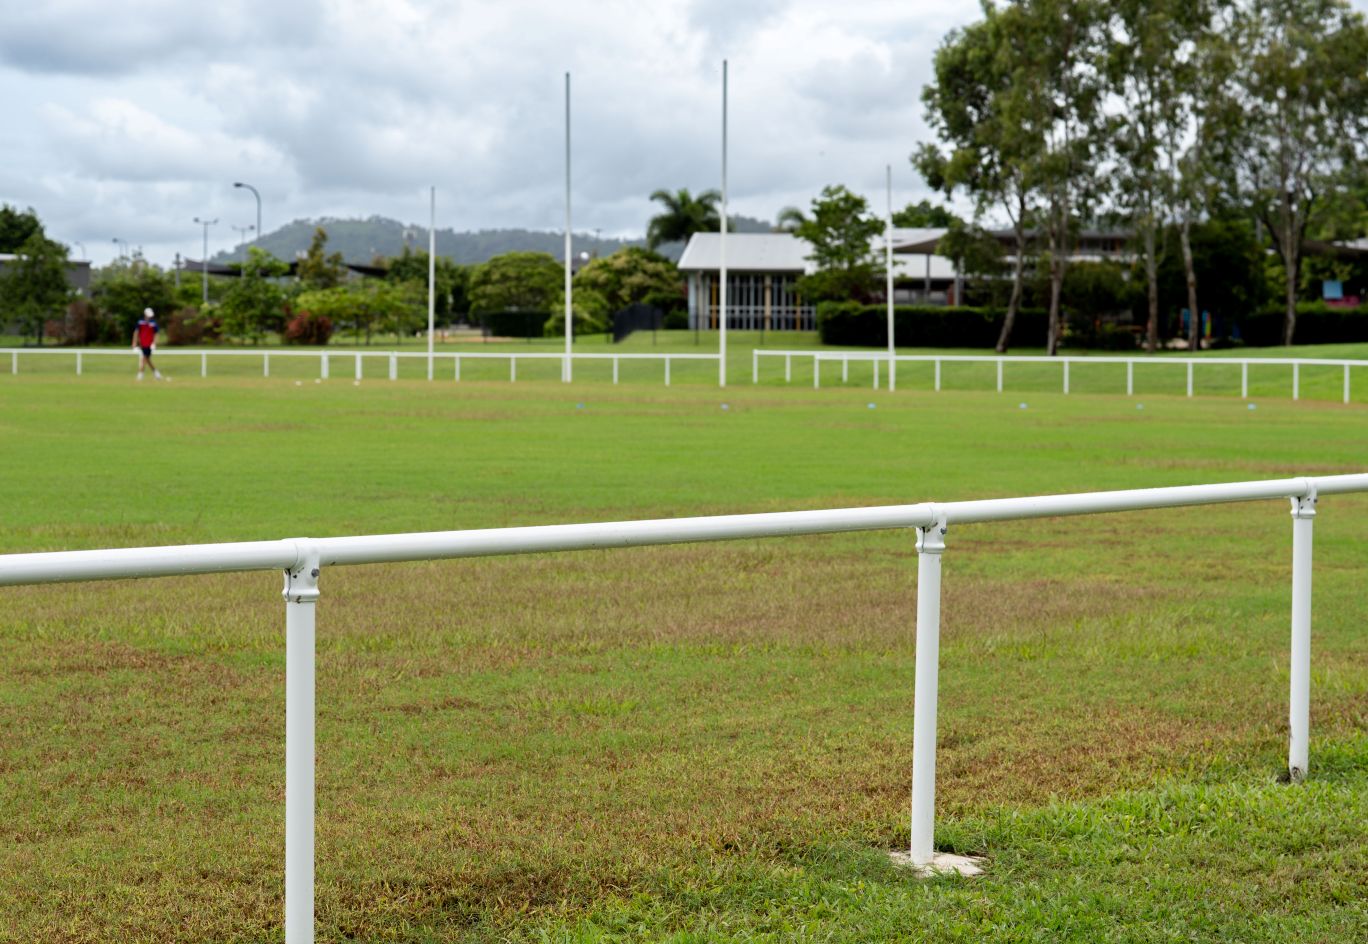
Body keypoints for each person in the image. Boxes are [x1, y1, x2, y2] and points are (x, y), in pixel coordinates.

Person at [132, 308, 163, 380]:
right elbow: (136, 332)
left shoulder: (153, 323)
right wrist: (134, 342)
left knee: (145, 358)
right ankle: (156, 374)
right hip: (142, 343)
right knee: (147, 359)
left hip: (149, 344)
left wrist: (155, 343)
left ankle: (141, 374)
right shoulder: (140, 322)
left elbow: (157, 334)